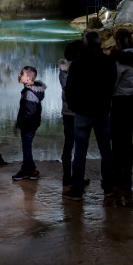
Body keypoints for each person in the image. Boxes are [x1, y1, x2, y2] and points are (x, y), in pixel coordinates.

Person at [63, 30, 117, 202]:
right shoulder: (109, 61)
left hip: (83, 112)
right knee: (106, 150)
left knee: (80, 151)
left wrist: (74, 106)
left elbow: (70, 89)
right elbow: (111, 84)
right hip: (102, 111)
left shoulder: (78, 63)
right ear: (100, 43)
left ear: (85, 44)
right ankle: (108, 187)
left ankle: (77, 189)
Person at [109, 28, 133, 193]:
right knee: (127, 137)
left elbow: (113, 82)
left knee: (117, 139)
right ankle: (127, 172)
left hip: (120, 101)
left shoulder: (120, 59)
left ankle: (118, 172)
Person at [58, 40, 87, 189]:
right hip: (76, 111)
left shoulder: (64, 69)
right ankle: (71, 176)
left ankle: (70, 176)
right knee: (75, 145)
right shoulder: (71, 68)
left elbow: (66, 87)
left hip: (69, 111)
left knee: (70, 144)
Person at [12, 66, 46, 181]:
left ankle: (32, 170)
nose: (19, 75)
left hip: (29, 125)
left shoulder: (29, 93)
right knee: (26, 147)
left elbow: (28, 113)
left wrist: (19, 123)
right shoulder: (31, 90)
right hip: (30, 124)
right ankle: (25, 169)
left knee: (26, 148)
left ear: (29, 78)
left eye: (22, 74)